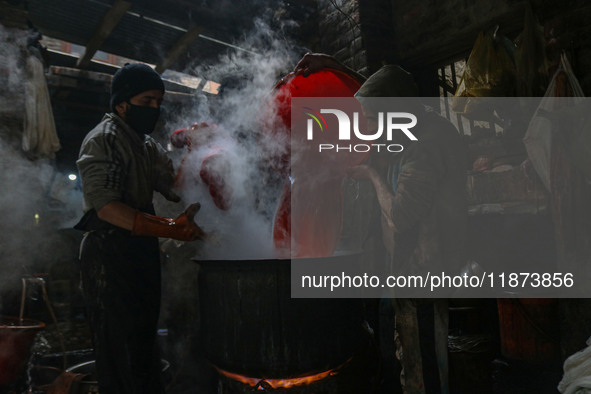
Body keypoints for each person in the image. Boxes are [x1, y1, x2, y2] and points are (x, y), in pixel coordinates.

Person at [294, 54, 467, 393]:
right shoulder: (408, 124)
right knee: (406, 355)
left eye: (373, 120)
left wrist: (372, 174)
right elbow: (383, 87)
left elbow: (402, 217)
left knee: (424, 363)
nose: (369, 129)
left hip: (425, 270)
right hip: (403, 266)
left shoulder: (427, 143)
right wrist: (332, 65)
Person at [75, 63, 206, 394]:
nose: (154, 109)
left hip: (140, 250)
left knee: (144, 341)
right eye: (146, 101)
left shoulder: (146, 145)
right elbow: (106, 208)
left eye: (158, 102)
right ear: (121, 103)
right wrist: (170, 227)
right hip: (109, 253)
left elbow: (175, 186)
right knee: (120, 350)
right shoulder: (103, 140)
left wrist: (199, 152)